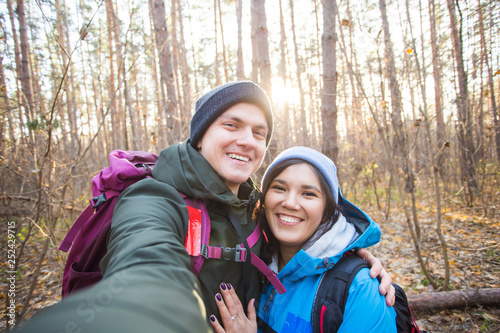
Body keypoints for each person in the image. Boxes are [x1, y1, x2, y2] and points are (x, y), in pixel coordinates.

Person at [14, 82, 392, 333]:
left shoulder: (255, 206)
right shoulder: (154, 197)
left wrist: (349, 257)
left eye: (259, 133)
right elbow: (148, 267)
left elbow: (302, 245)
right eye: (232, 125)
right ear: (200, 136)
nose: (247, 141)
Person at [210, 147, 397, 333]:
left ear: (328, 209)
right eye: (279, 188)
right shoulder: (252, 261)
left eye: (308, 193)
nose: (290, 203)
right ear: (264, 199)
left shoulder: (360, 290)